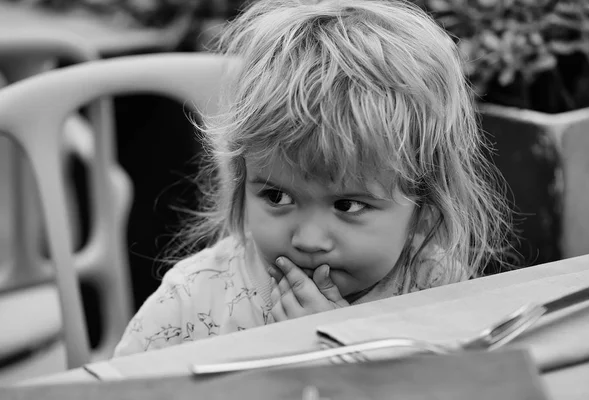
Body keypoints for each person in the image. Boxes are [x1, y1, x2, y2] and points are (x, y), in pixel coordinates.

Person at [113, 0, 514, 357]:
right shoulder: (194, 299)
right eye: (276, 197)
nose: (307, 240)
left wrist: (348, 355)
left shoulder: (436, 290)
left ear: (424, 205)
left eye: (348, 205)